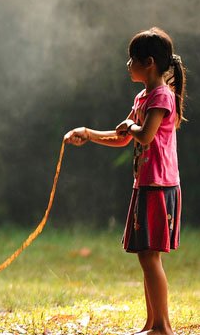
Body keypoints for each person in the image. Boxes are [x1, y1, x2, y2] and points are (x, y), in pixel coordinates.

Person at [65, 27, 186, 335]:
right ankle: (151, 323)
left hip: (159, 184)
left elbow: (143, 135)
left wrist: (132, 125)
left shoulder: (161, 96)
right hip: (146, 183)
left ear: (148, 63)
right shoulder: (143, 96)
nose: (127, 64)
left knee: (149, 255)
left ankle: (164, 327)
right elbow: (123, 138)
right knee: (146, 255)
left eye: (131, 59)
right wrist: (90, 134)